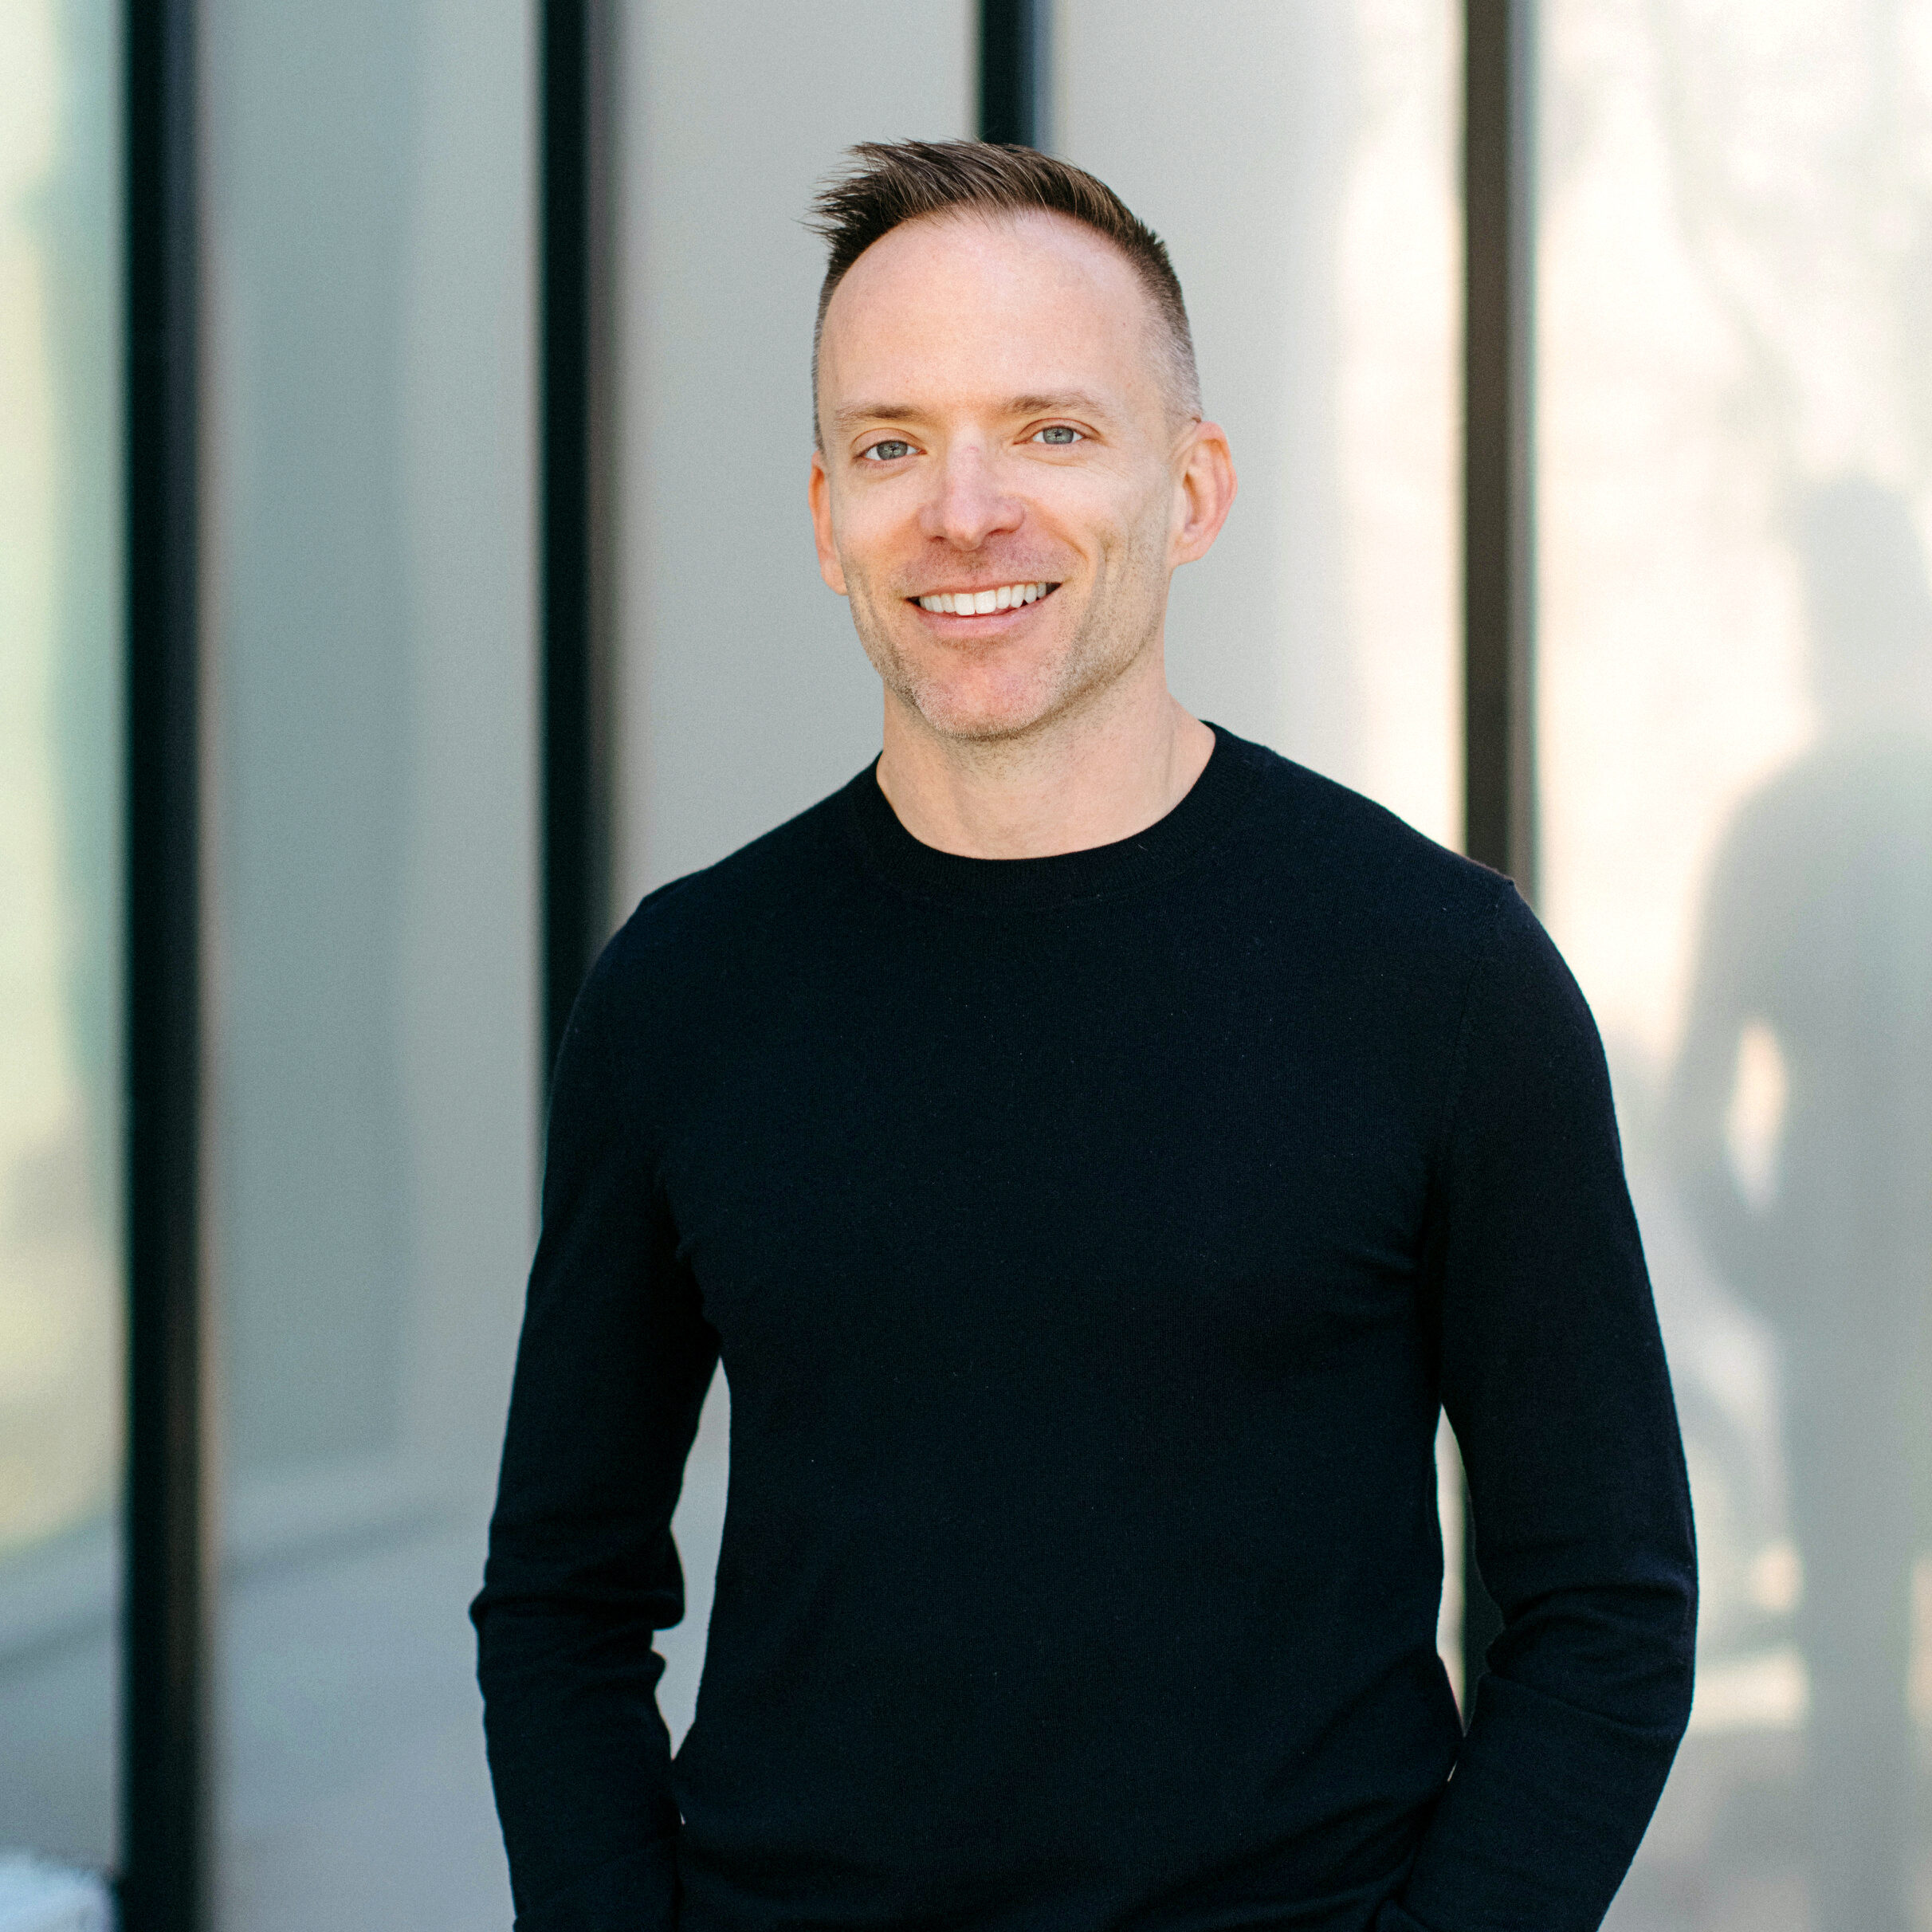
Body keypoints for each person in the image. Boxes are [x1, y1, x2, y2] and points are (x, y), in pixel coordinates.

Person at [472, 139, 1695, 1932]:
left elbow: (1608, 1608)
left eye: (1051, 430)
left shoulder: (1443, 981)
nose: (964, 510)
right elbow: (561, 1597)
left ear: (1192, 489)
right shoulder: (685, 992)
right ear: (825, 518)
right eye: (892, 444)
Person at [1664, 476, 1932, 1932]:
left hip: (1845, 1300)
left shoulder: (1782, 829)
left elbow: (1694, 1101)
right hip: (1859, 1299)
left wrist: (1777, 1275)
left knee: (1854, 1687)